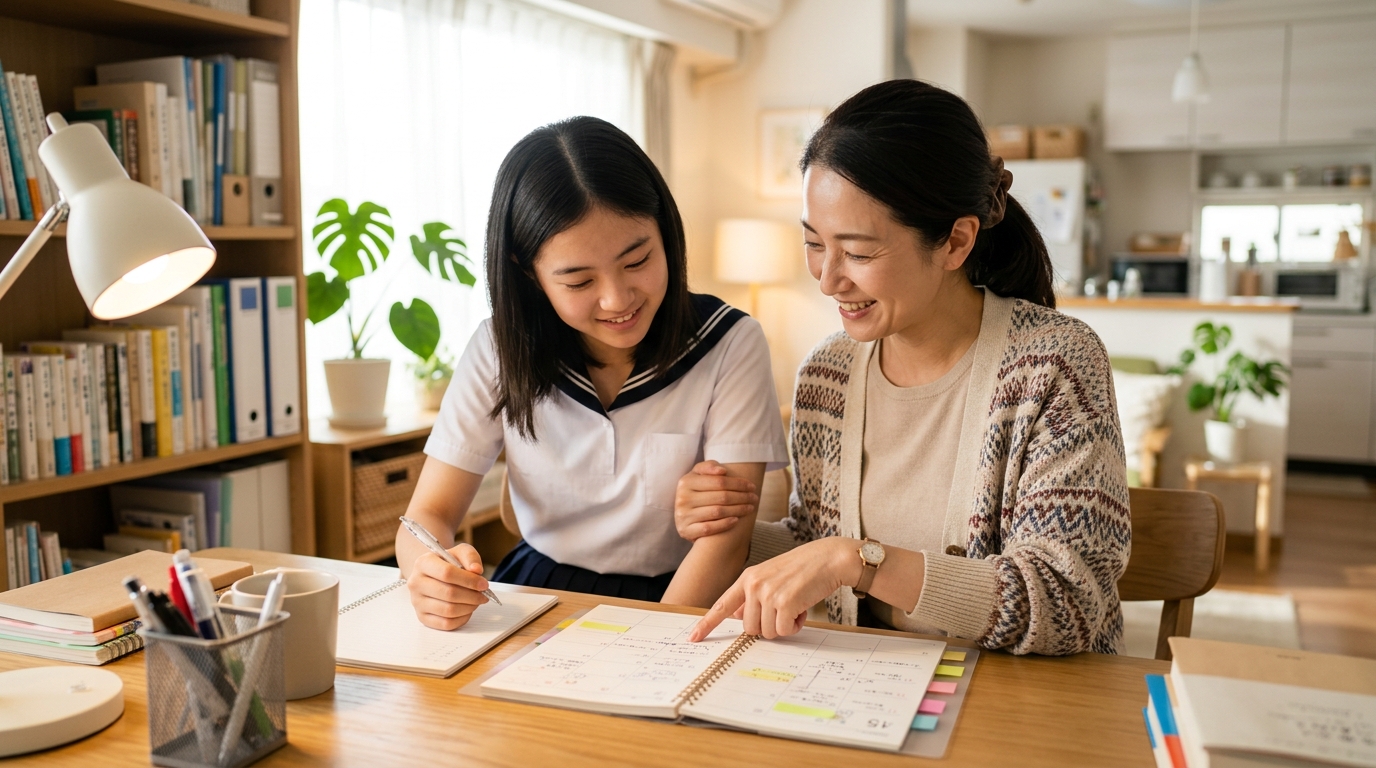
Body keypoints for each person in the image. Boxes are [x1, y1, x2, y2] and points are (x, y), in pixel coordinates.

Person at [678, 80, 1130, 655]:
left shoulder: (1055, 366)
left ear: (955, 242)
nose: (827, 278)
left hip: (1020, 708)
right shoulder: (828, 374)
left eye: (860, 253)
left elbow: (1068, 604)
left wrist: (859, 561)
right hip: (867, 694)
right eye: (815, 243)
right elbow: (811, 543)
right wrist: (726, 524)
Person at [396, 117, 788, 631]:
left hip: (683, 600)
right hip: (535, 594)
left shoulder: (729, 343)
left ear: (666, 233)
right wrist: (426, 573)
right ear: (528, 274)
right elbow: (427, 516)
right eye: (579, 280)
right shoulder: (500, 347)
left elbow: (725, 541)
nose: (617, 299)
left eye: (638, 259)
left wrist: (649, 644)